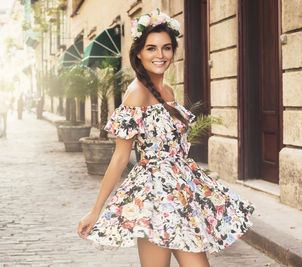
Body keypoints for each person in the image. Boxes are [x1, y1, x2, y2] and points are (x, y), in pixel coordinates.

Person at [77, 9, 255, 267]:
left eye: (166, 48)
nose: (160, 55)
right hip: (153, 198)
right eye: (151, 48)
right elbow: (119, 157)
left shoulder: (168, 90)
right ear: (138, 52)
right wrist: (96, 211)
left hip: (182, 194)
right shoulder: (136, 93)